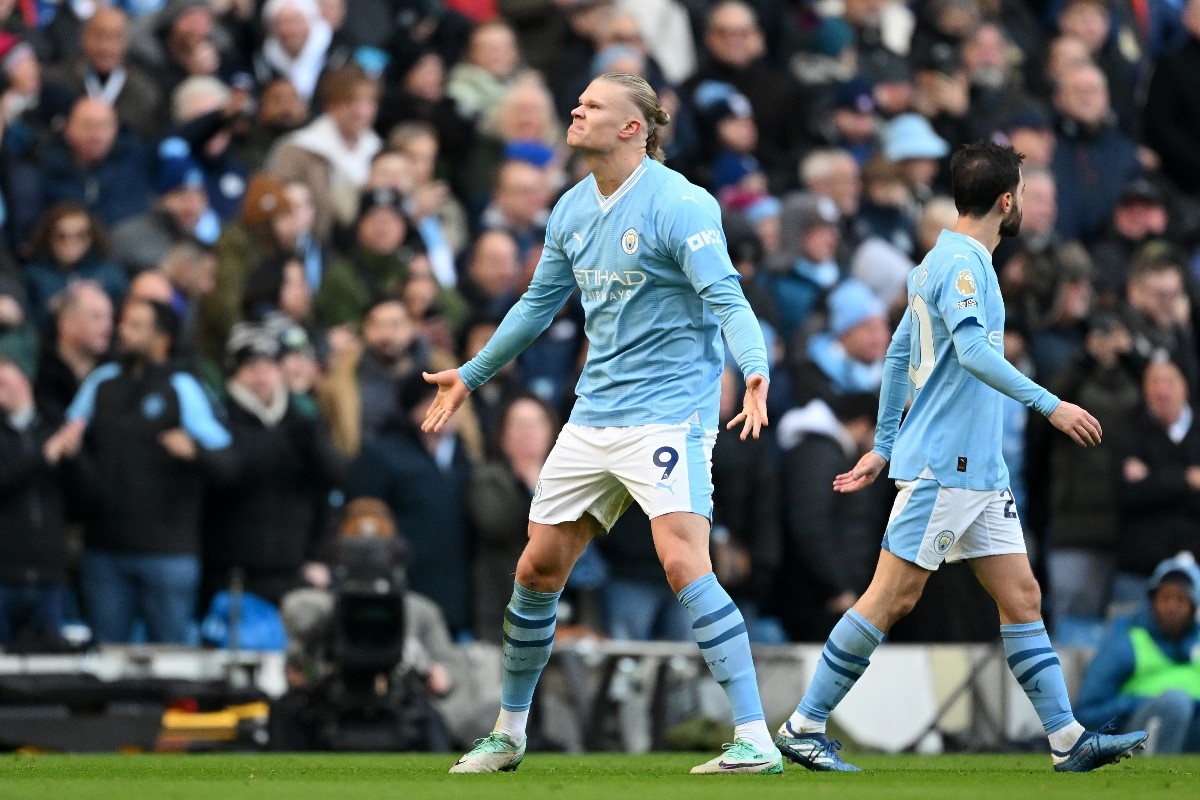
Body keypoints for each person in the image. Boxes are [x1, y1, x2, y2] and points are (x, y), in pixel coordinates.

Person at [422, 72, 780, 774]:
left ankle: (753, 737)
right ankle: (509, 733)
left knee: (683, 560)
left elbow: (728, 298)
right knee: (537, 568)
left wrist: (755, 367)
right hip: (594, 413)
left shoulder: (680, 203)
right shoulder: (572, 207)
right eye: (578, 101)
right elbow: (536, 306)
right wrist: (472, 373)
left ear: (632, 128)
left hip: (668, 413)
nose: (575, 110)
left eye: (592, 105)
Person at [772, 141, 1148, 773]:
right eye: (1021, 191)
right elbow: (972, 353)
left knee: (1022, 597)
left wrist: (883, 443)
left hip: (979, 470)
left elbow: (898, 354)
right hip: (947, 468)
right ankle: (803, 725)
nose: (1022, 201)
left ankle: (1066, 739)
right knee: (890, 598)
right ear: (1005, 201)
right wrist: (1050, 404)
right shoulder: (965, 267)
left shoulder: (936, 263)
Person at [1074, 552, 1200, 754]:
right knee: (1175, 702)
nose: (1172, 607)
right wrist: (1137, 702)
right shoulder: (1128, 644)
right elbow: (1085, 715)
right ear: (1152, 601)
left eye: (1181, 599)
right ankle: (1158, 770)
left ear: (1193, 607)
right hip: (1135, 736)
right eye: (1165, 597)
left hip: (1191, 733)